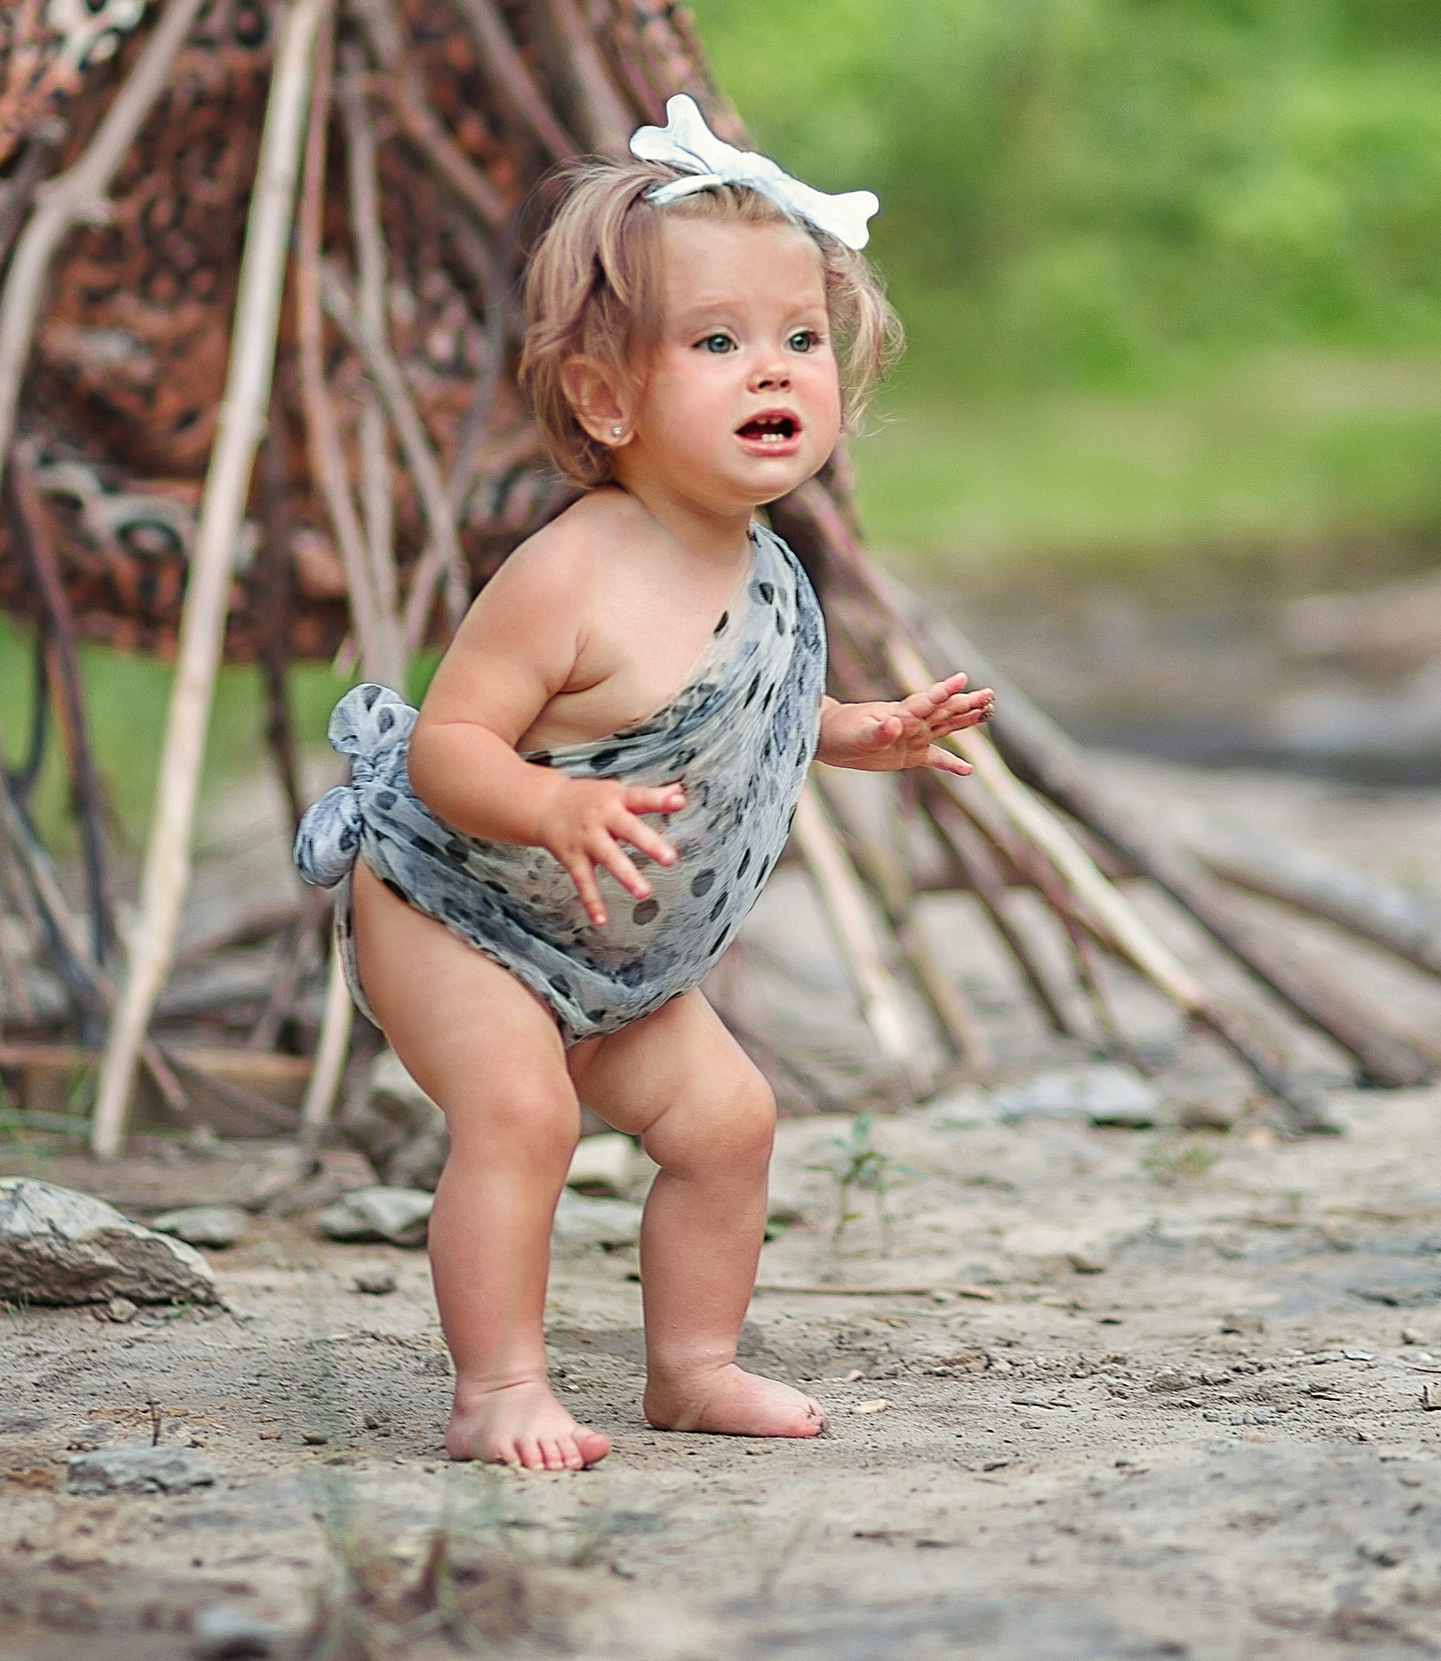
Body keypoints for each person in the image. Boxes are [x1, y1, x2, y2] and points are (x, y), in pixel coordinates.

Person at [295, 96, 992, 1470]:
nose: (773, 372)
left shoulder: (765, 565)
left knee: (729, 1122)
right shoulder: (573, 568)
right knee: (524, 1113)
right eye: (718, 343)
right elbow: (447, 749)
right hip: (457, 907)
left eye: (801, 340)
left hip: (609, 946)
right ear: (607, 398)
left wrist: (861, 731)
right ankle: (497, 1389)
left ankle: (693, 1367)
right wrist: (553, 808)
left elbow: (745, 715)